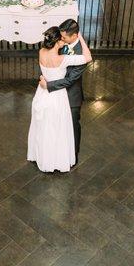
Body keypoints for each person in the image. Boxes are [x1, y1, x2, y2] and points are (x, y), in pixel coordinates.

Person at [29, 26, 92, 172]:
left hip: (42, 94)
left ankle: (43, 157)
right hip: (58, 97)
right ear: (57, 41)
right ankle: (57, 159)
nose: (64, 41)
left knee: (44, 127)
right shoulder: (62, 59)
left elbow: (44, 71)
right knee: (58, 129)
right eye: (61, 39)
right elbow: (88, 57)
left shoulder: (41, 52)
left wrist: (45, 82)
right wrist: (81, 37)